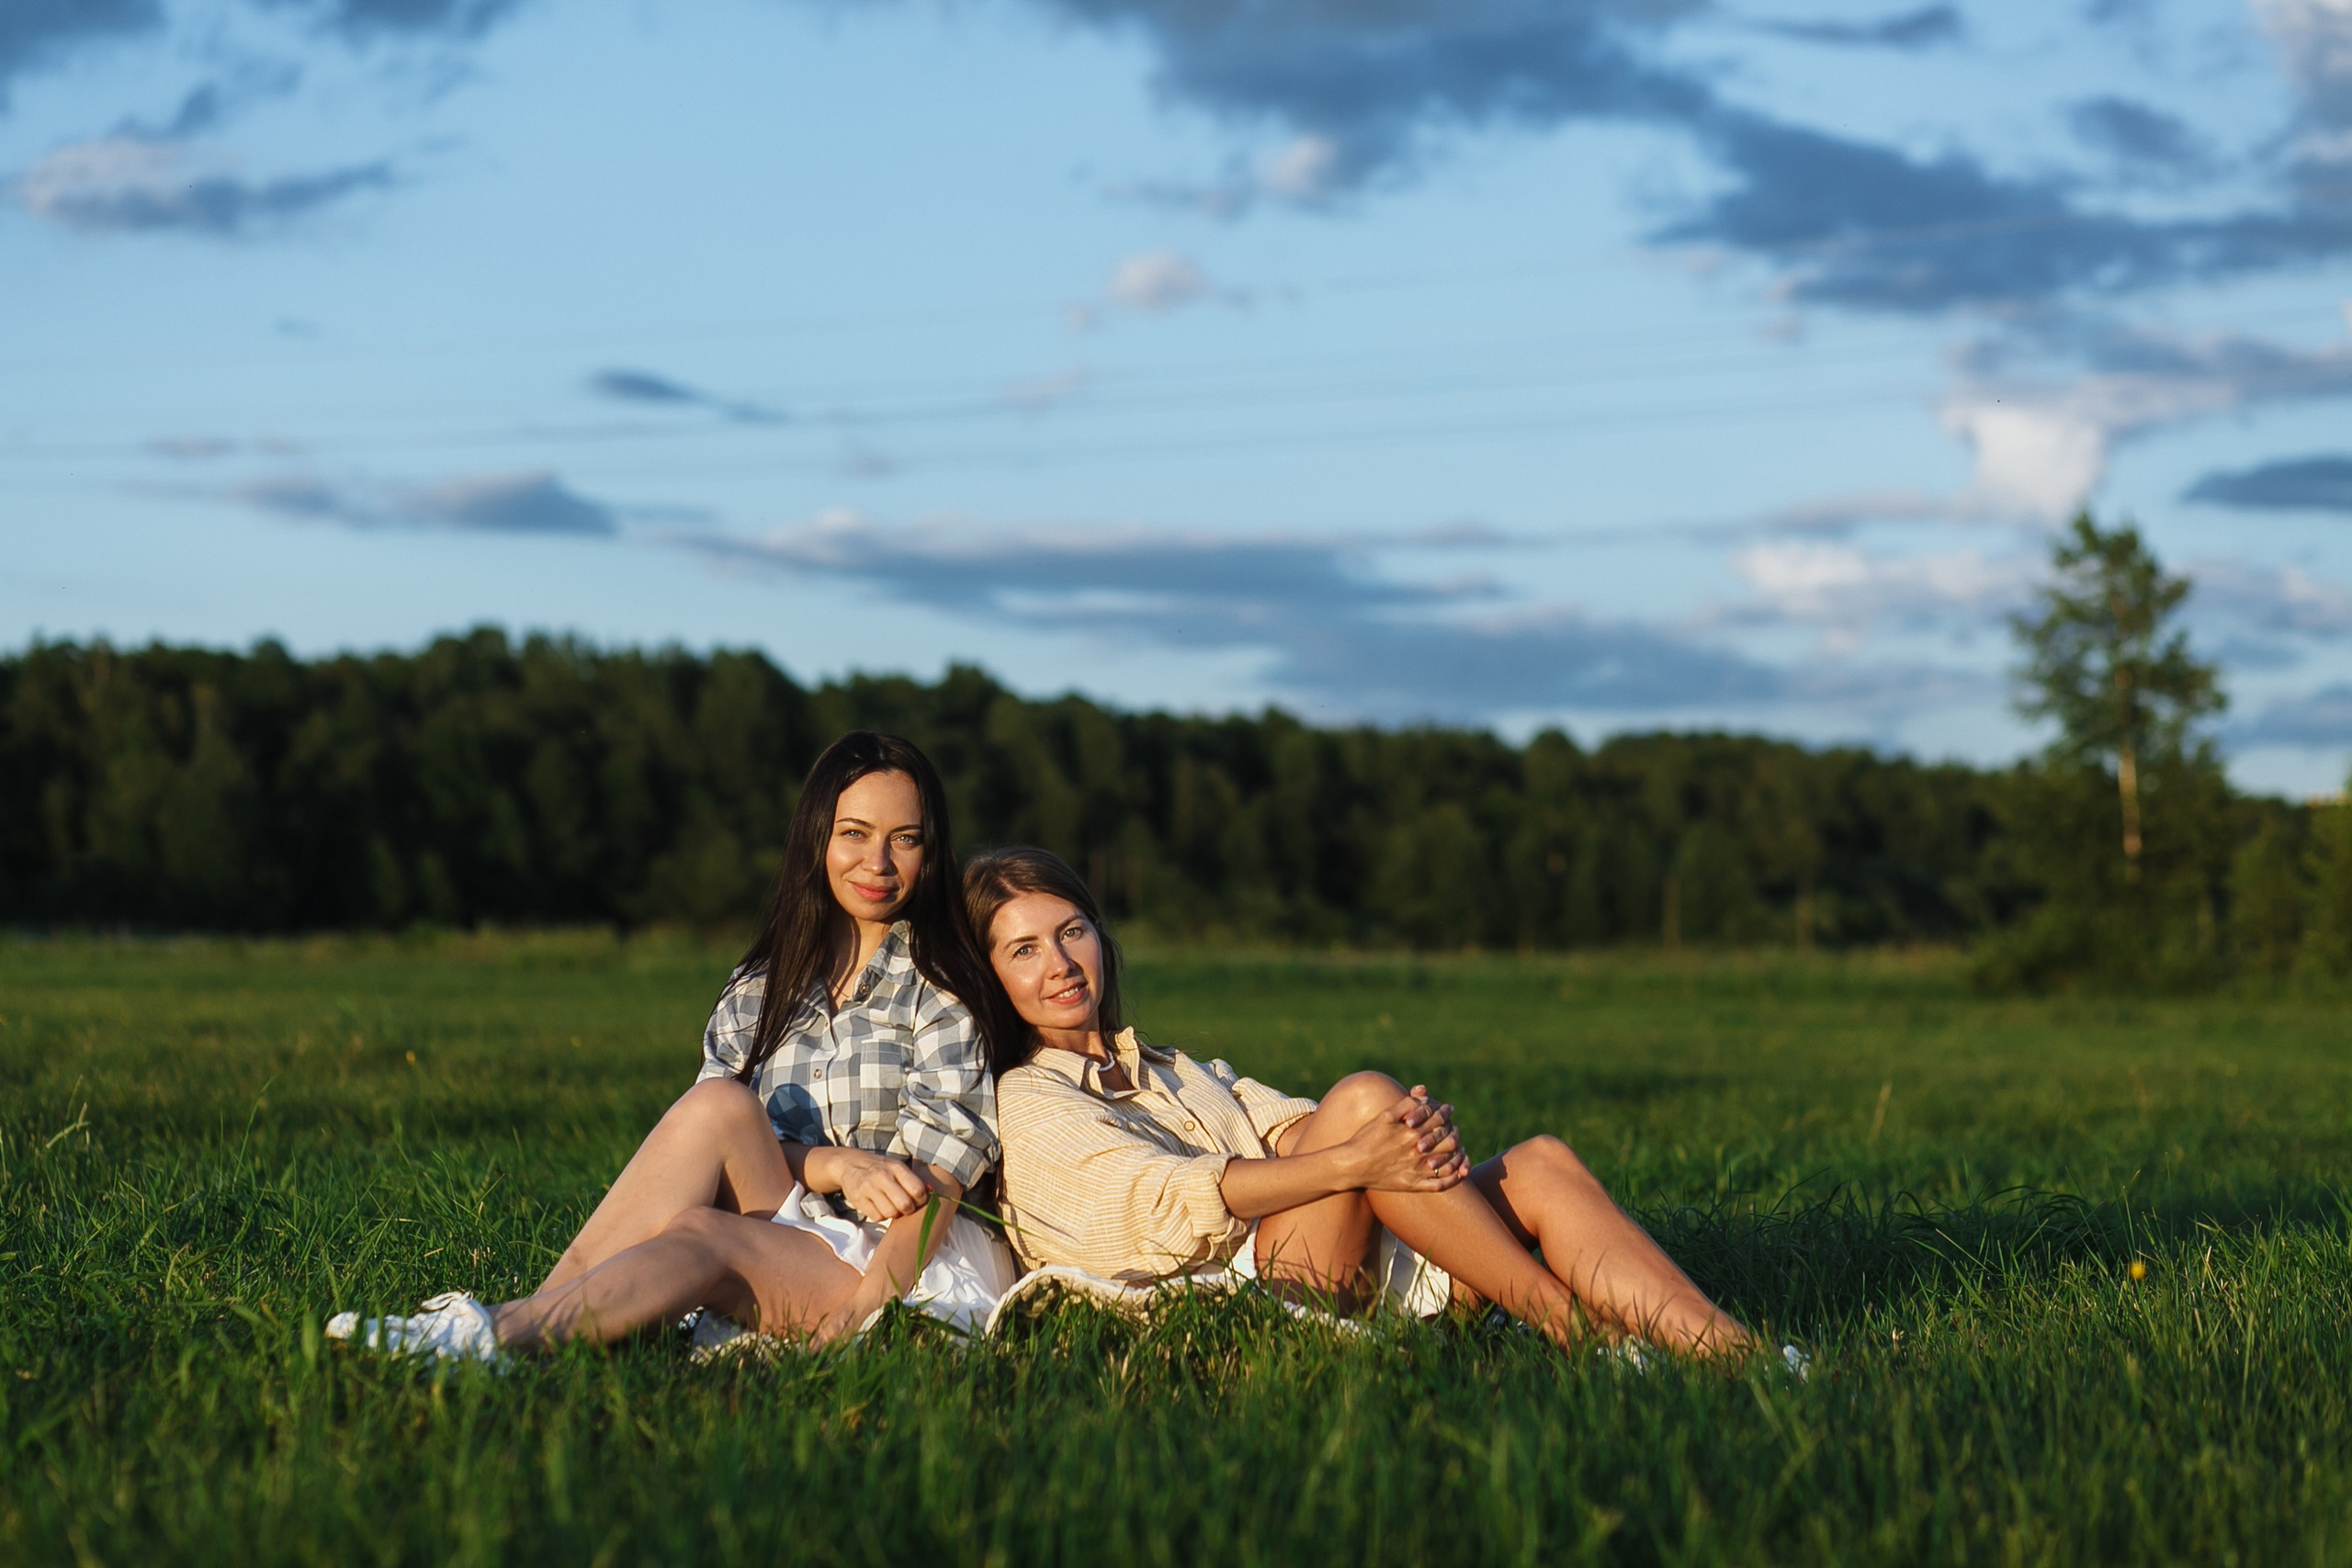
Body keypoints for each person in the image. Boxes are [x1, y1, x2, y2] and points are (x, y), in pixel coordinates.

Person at [329, 732, 1015, 1361]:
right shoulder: (761, 986)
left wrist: (864, 1314)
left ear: (931, 852)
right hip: (795, 1223)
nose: (878, 862)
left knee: (702, 1232)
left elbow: (941, 1187)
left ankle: (493, 1334)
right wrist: (834, 1164)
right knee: (717, 1104)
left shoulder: (942, 988)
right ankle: (524, 1319)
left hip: (897, 1263)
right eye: (854, 833)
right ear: (816, 839)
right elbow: (714, 1152)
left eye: (905, 838)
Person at [969, 845, 1759, 1360]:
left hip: (1324, 1261)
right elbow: (1162, 1202)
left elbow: (1290, 1129)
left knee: (1541, 1162)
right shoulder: (1028, 1097)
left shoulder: (1167, 1066)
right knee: (1360, 1109)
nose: (1062, 963)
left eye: (1072, 932)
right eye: (1025, 949)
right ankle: (1578, 1335)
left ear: (1100, 937)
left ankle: (1742, 1359)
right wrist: (1357, 1149)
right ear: (992, 977)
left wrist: (1404, 1129)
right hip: (1239, 1318)